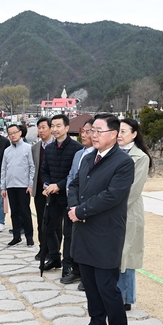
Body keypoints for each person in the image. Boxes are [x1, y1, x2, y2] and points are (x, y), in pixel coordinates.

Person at [68, 114, 133, 325]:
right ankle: (97, 322)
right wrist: (74, 208)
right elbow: (74, 184)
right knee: (89, 282)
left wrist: (81, 210)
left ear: (113, 135)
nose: (92, 135)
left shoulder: (123, 162)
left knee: (107, 284)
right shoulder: (88, 158)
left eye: (98, 131)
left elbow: (112, 196)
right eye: (91, 131)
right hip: (84, 229)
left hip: (105, 232)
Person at [116, 118, 153, 310]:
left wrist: (111, 205)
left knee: (127, 254)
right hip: (113, 211)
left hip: (129, 211)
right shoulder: (112, 153)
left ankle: (126, 298)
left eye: (123, 131)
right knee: (115, 253)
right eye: (118, 131)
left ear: (134, 133)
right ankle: (116, 294)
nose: (119, 135)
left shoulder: (141, 157)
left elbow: (134, 189)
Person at [40, 114, 83, 274]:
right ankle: (54, 257)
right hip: (52, 195)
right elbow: (44, 170)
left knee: (68, 232)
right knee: (47, 227)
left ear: (66, 128)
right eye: (53, 126)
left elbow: (75, 175)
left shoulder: (77, 148)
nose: (55, 129)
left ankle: (68, 264)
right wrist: (47, 184)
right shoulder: (49, 148)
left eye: (59, 126)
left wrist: (58, 185)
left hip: (69, 196)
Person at [63, 118, 95, 286]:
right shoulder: (78, 154)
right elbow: (71, 176)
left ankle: (86, 275)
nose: (84, 134)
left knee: (87, 239)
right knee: (72, 237)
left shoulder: (97, 155)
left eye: (88, 131)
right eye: (83, 131)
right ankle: (75, 270)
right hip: (73, 201)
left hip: (87, 203)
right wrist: (70, 193)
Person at [1, 124, 35, 247]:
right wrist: (3, 187)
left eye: (15, 132)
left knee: (25, 211)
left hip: (23, 185)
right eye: (10, 133)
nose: (13, 135)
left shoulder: (28, 148)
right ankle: (16, 236)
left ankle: (29, 236)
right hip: (10, 185)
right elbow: (4, 169)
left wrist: (30, 184)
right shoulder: (7, 151)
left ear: (20, 133)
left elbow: (32, 167)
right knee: (14, 212)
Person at [31, 117, 59, 261]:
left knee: (54, 223)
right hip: (39, 190)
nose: (41, 131)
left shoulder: (57, 145)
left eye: (43, 127)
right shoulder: (35, 147)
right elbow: (33, 169)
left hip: (55, 190)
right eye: (39, 128)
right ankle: (43, 249)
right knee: (41, 221)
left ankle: (54, 252)